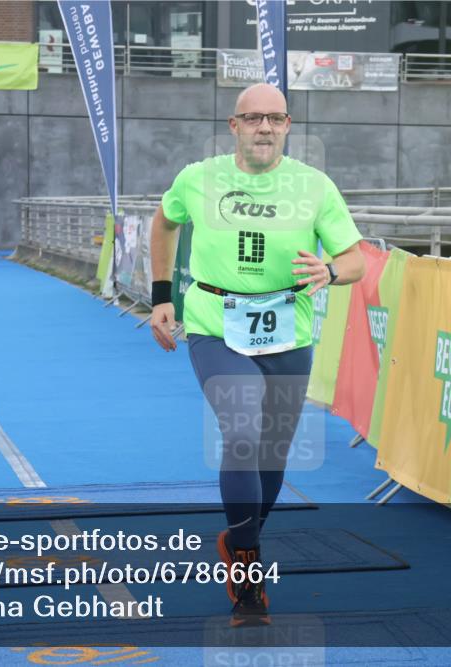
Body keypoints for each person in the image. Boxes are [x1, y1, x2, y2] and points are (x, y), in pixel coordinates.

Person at [149, 83, 366, 627]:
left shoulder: (314, 187)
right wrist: (161, 297)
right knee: (242, 433)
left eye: (274, 118)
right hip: (214, 324)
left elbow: (356, 259)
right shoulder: (198, 178)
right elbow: (164, 221)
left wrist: (331, 272)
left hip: (288, 331)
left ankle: (241, 536)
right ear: (234, 126)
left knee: (272, 453)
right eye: (253, 119)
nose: (264, 128)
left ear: (288, 126)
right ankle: (248, 572)